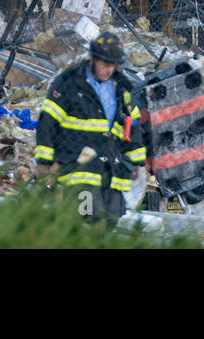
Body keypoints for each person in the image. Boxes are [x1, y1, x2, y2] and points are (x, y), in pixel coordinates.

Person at [35, 32, 147, 219]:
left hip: (112, 169)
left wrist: (136, 162)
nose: (108, 70)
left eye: (112, 65)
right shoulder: (68, 83)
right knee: (86, 219)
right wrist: (44, 162)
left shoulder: (121, 87)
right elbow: (47, 122)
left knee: (110, 220)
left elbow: (132, 126)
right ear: (93, 59)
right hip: (78, 167)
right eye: (104, 64)